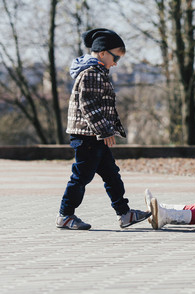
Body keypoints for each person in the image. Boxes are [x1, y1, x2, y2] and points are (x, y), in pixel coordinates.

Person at [56, 28, 150, 230]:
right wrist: (105, 131)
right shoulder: (91, 74)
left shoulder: (99, 72)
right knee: (81, 176)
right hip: (86, 136)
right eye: (115, 57)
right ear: (102, 53)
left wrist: (109, 128)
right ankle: (65, 215)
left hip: (95, 135)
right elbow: (89, 106)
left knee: (111, 174)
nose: (116, 63)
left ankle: (125, 214)